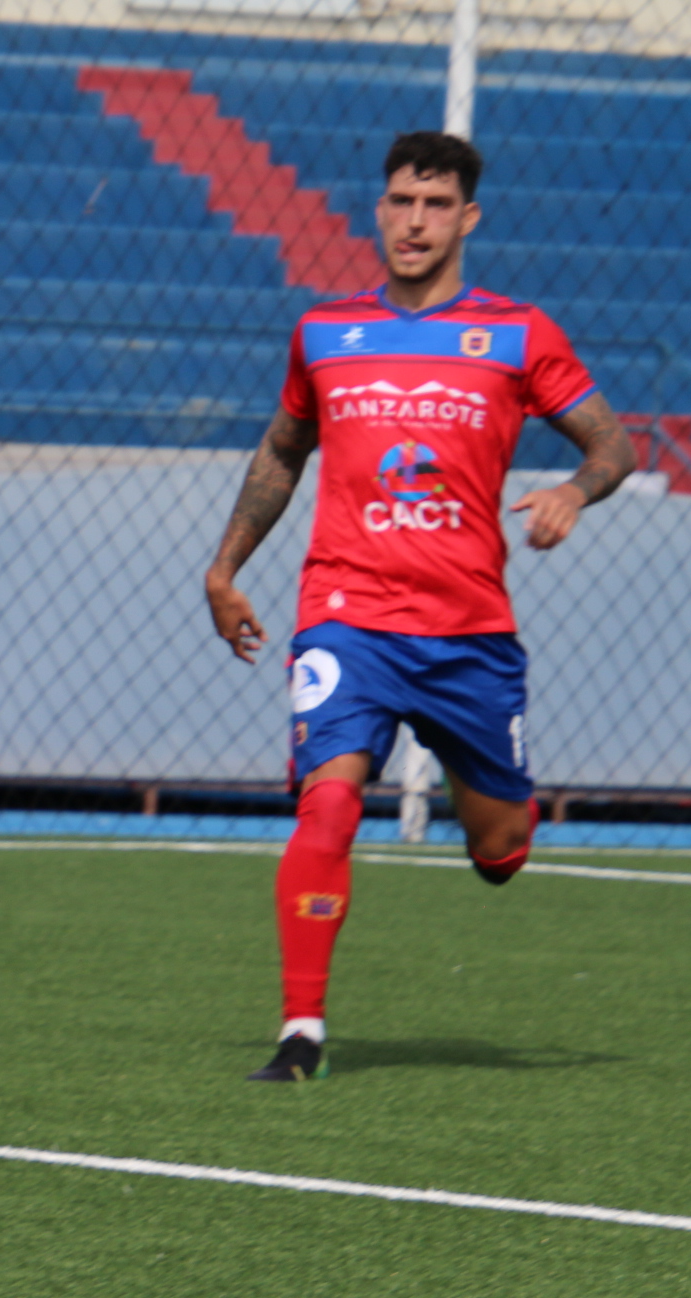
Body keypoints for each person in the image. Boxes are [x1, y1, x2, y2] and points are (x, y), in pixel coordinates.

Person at [205, 130, 635, 1083]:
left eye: (436, 206)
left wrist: (573, 489)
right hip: (346, 616)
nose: (415, 220)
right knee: (327, 808)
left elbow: (614, 446)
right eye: (402, 200)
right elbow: (283, 450)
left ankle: (467, 782)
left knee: (499, 844)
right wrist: (226, 564)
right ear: (379, 209)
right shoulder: (325, 332)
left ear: (468, 218)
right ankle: (303, 1034)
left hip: (469, 633)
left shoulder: (519, 335)